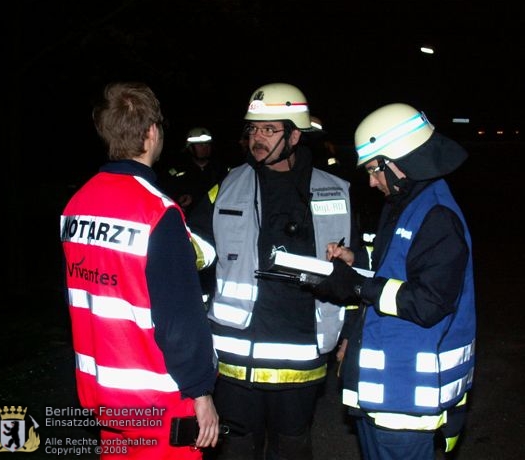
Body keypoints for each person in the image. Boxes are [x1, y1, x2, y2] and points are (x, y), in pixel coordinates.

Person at [187, 82, 367, 460]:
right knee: (236, 448)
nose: (258, 138)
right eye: (253, 129)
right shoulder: (226, 188)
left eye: (269, 130)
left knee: (292, 447)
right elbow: (196, 253)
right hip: (234, 360)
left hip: (301, 359)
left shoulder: (337, 192)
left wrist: (351, 331)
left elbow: (359, 275)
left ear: (295, 135)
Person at [60, 81, 219, 459]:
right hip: (158, 401)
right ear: (152, 133)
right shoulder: (157, 213)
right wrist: (201, 390)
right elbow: (179, 318)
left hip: (104, 394)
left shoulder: (76, 205)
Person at [312, 103, 476, 459]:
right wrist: (357, 262)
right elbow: (396, 270)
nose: (371, 181)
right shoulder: (405, 203)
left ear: (404, 159)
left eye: (374, 169)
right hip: (385, 393)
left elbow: (428, 302)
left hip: (407, 407)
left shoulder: (437, 216)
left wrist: (356, 286)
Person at [159, 126, 229, 214]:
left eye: (207, 144)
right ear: (190, 148)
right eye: (200, 145)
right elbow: (165, 193)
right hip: (189, 219)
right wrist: (178, 199)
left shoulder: (220, 170)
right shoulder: (177, 171)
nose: (205, 147)